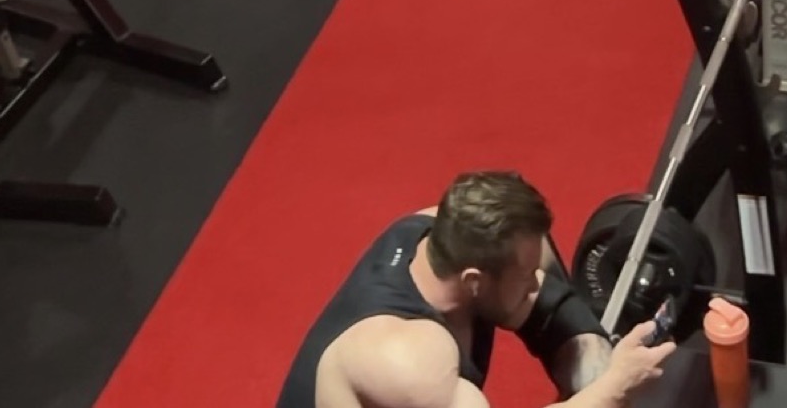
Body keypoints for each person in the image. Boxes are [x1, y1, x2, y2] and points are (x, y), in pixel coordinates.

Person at [275, 171, 672, 407]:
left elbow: (549, 298)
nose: (537, 283)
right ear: (474, 282)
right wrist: (612, 385)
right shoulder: (404, 356)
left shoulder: (444, 234)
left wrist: (589, 353)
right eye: (525, 276)